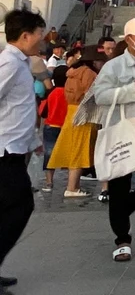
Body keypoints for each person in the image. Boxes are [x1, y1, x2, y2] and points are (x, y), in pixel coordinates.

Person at [74, 18, 135, 262]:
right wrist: (132, 89)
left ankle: (121, 212)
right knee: (119, 184)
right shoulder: (114, 67)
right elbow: (100, 95)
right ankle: (122, 238)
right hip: (120, 131)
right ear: (129, 39)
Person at [0, 9, 47, 295]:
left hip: (15, 147)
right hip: (4, 151)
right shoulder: (9, 63)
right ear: (25, 35)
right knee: (20, 206)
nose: (41, 42)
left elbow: (17, 109)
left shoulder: (19, 63)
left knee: (9, 208)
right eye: (39, 35)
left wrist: (31, 139)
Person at [47, 47, 101, 198]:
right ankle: (72, 187)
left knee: (73, 149)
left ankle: (74, 186)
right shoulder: (88, 73)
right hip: (84, 112)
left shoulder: (71, 73)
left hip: (71, 111)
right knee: (80, 149)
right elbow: (92, 93)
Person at [38, 65, 69, 192]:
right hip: (66, 127)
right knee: (69, 154)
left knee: (49, 154)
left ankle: (49, 182)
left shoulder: (51, 93)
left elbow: (43, 112)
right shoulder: (70, 92)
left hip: (51, 126)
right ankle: (71, 183)